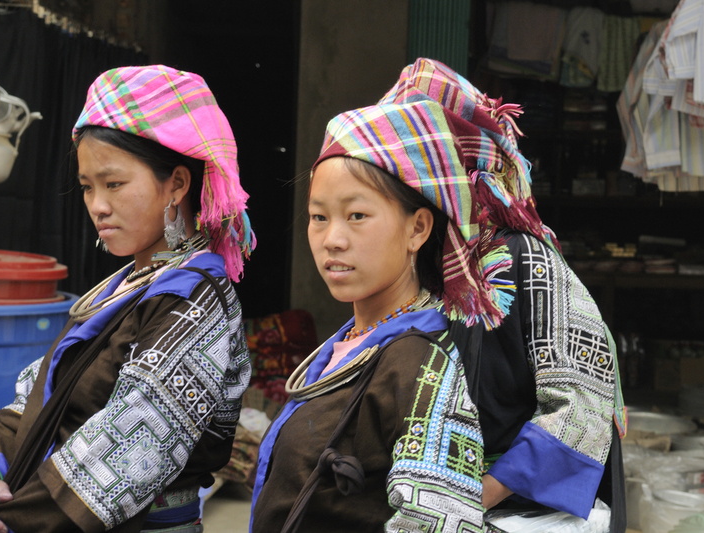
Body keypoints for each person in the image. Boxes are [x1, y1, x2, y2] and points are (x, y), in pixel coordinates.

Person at [250, 58, 626, 533]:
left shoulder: (520, 257)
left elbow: (582, 402)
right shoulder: (423, 256)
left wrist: (481, 487)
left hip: (516, 508)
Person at [0, 65, 255, 533]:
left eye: (113, 184)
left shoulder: (196, 301)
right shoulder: (126, 287)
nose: (97, 205)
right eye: (88, 187)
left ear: (176, 183)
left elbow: (124, 455)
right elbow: (42, 391)